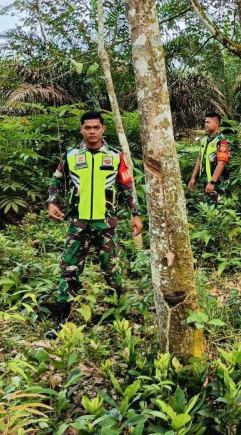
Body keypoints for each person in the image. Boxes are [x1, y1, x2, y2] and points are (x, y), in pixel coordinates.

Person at [45, 110, 143, 338]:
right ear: (81, 129)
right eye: (87, 127)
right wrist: (51, 203)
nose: (92, 131)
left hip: (106, 224)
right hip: (77, 223)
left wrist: (135, 214)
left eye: (96, 127)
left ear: (102, 129)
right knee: (69, 269)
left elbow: (128, 186)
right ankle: (61, 321)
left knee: (112, 270)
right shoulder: (70, 155)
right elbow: (56, 181)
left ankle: (118, 319)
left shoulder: (116, 156)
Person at [188, 112, 230, 204]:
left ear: (216, 124)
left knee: (217, 209)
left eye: (208, 122)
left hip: (217, 183)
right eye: (205, 122)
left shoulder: (221, 140)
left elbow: (221, 163)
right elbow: (199, 159)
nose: (205, 124)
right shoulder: (204, 140)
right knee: (207, 209)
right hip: (205, 180)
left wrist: (212, 183)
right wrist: (193, 178)